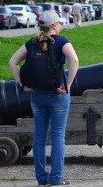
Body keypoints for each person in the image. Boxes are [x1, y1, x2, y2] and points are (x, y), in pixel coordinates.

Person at [9, 10, 79, 186]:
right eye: (59, 23)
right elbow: (75, 61)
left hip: (37, 95)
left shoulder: (32, 43)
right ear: (55, 25)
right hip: (58, 95)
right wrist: (68, 84)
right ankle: (56, 178)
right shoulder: (61, 41)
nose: (61, 26)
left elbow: (12, 62)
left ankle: (41, 178)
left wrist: (21, 83)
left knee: (39, 137)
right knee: (57, 137)